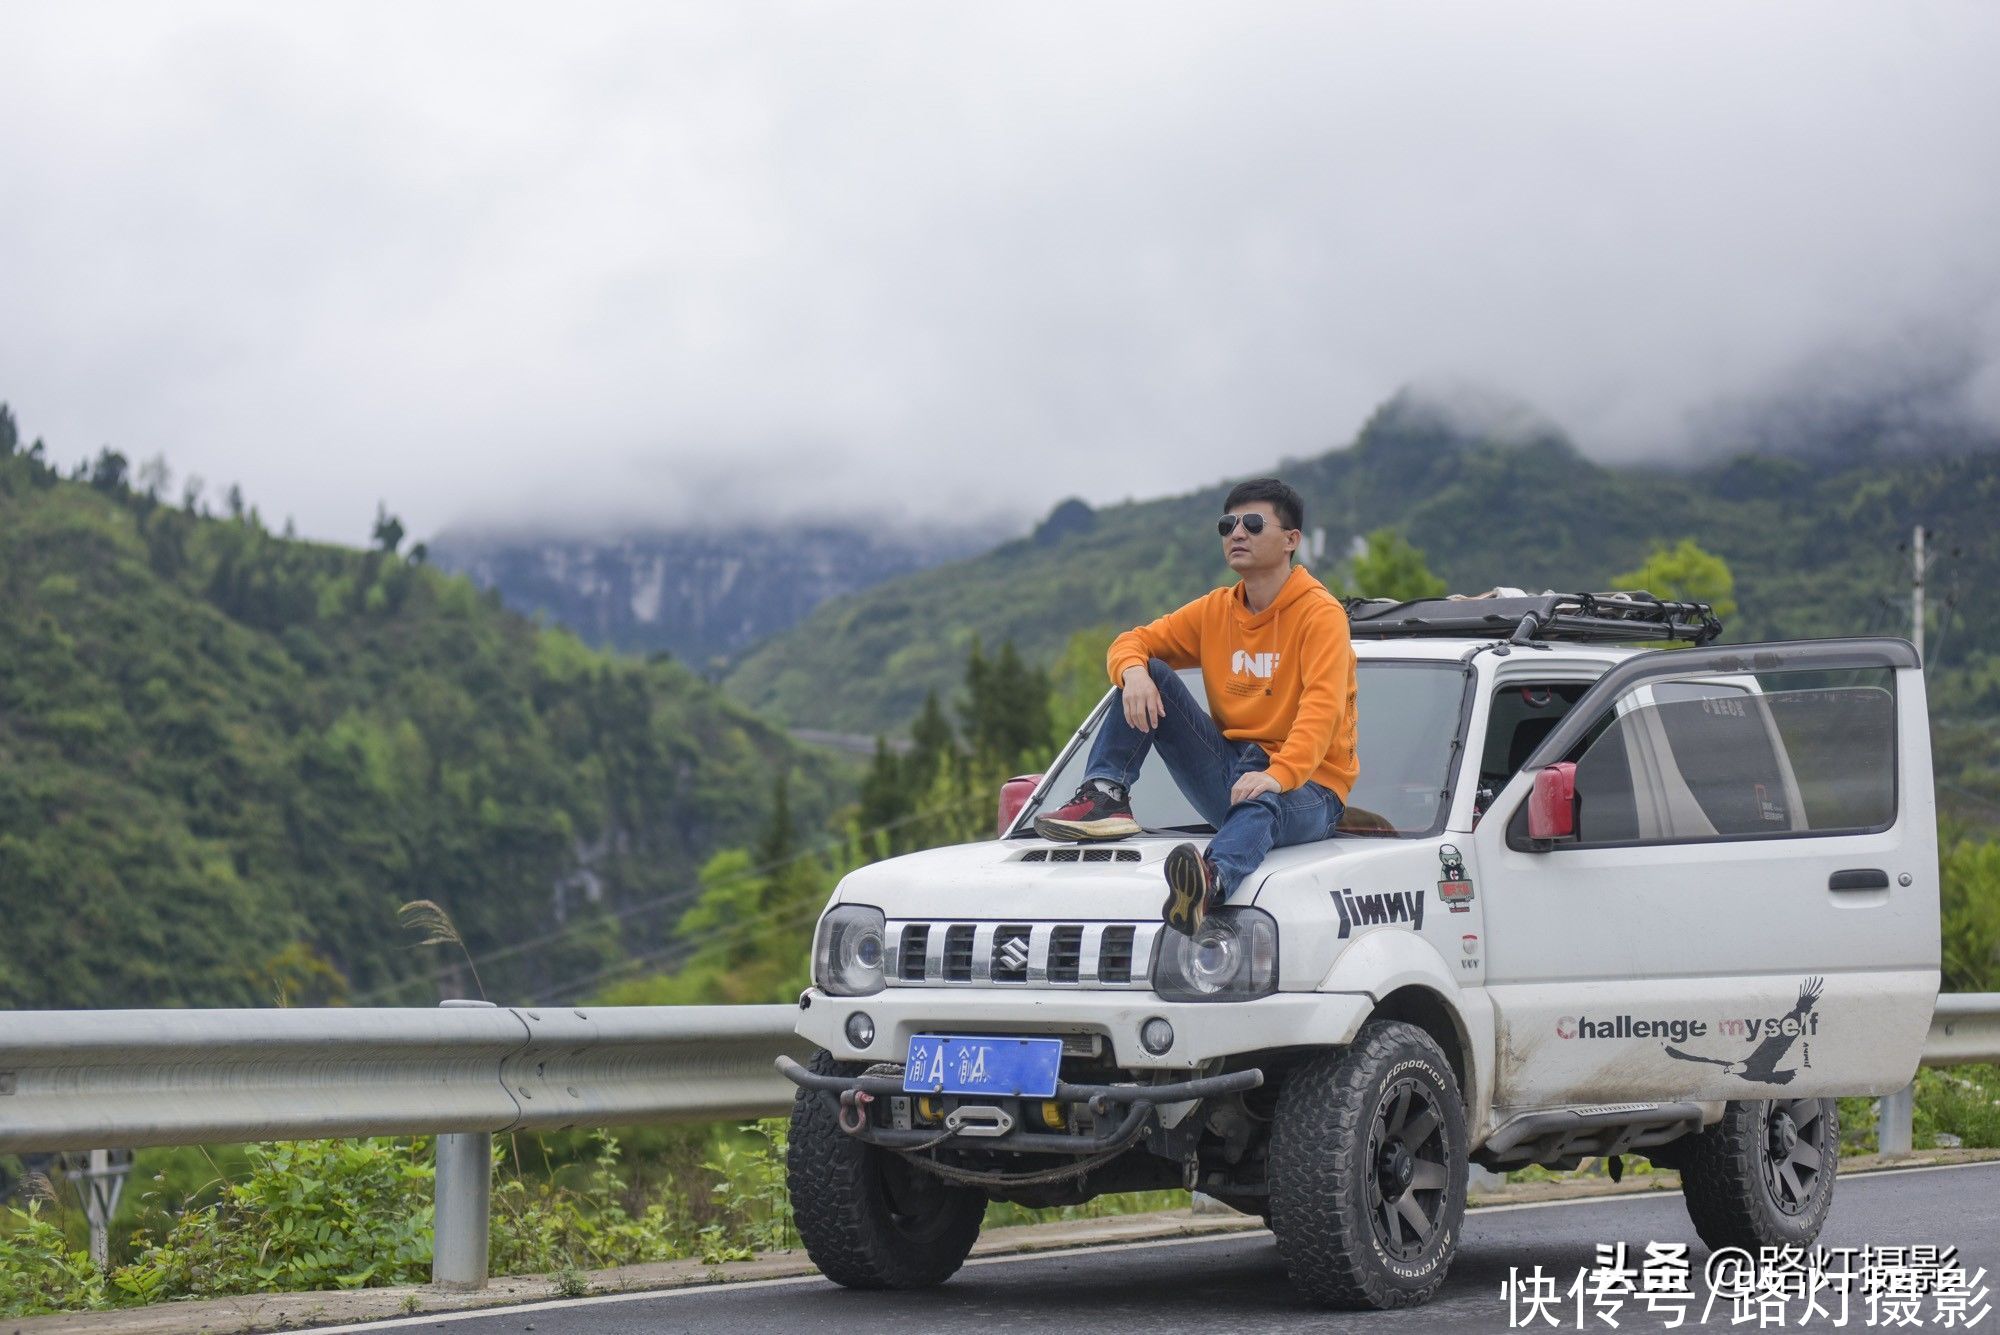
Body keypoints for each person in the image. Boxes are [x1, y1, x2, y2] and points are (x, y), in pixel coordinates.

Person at [1035, 478, 1358, 936]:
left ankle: (1210, 880)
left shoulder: (1320, 615)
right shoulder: (1215, 611)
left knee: (1262, 800)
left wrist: (1277, 775)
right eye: (1228, 524)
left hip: (1311, 789)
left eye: (1252, 523)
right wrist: (1134, 673)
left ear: (1291, 540)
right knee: (1153, 674)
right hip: (1230, 772)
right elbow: (1131, 641)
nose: (1236, 534)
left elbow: (1322, 710)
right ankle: (1106, 795)